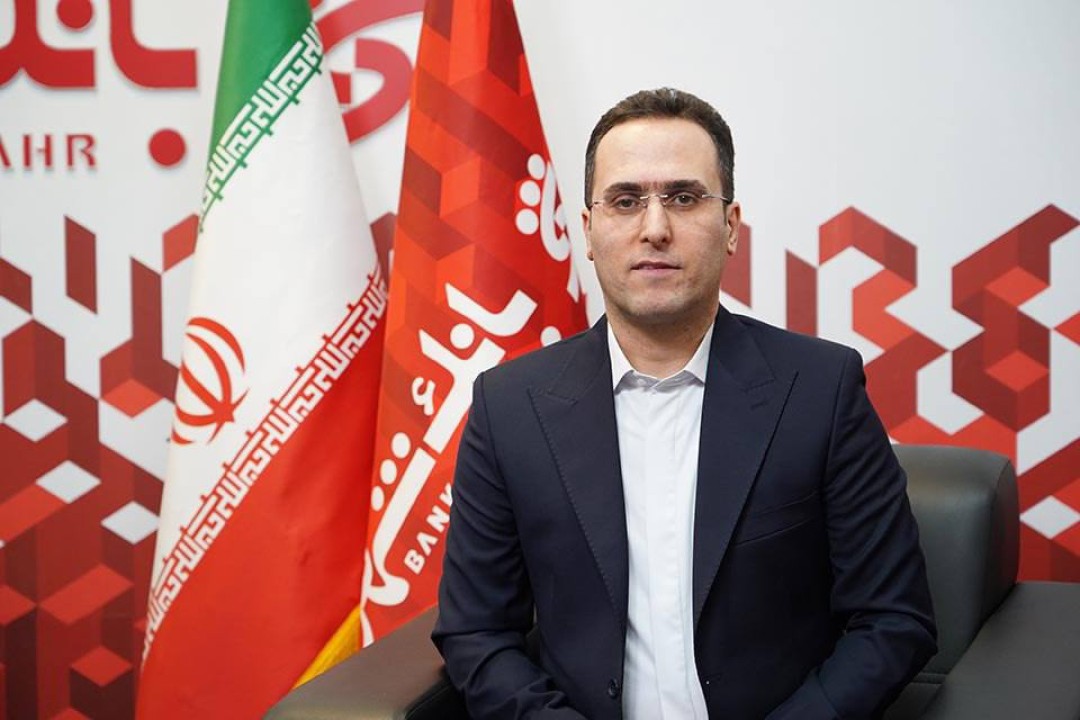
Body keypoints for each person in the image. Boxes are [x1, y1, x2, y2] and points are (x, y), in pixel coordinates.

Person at [433, 87, 936, 720]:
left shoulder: (821, 389)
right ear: (588, 232)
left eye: (683, 197)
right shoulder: (510, 407)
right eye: (625, 201)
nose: (654, 228)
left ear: (730, 227)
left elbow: (893, 620)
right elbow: (477, 631)